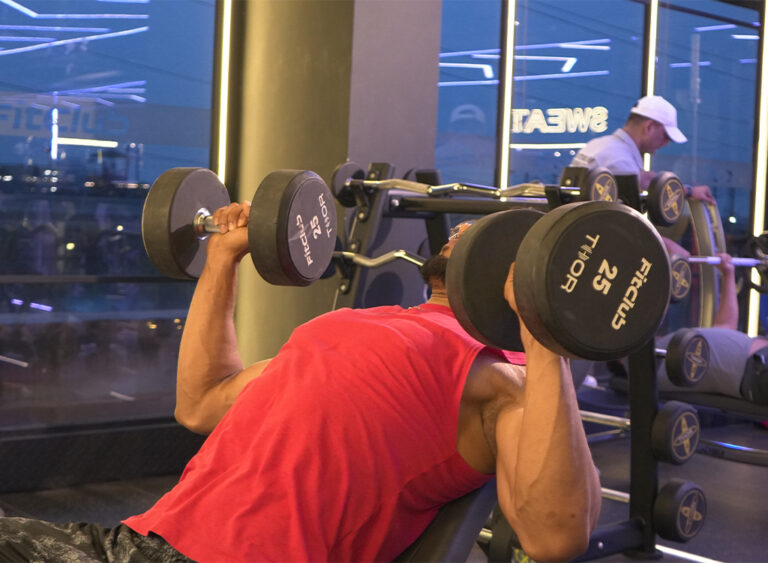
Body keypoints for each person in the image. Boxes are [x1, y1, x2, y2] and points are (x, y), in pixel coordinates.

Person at [0, 211, 602, 562]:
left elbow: (555, 535)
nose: (465, 226)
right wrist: (222, 260)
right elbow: (203, 403)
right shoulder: (363, 323)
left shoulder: (503, 377)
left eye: (485, 231)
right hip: (139, 542)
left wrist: (544, 330)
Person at [654, 251, 768, 404]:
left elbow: (723, 331)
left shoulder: (660, 352)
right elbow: (724, 328)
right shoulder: (661, 356)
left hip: (753, 370)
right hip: (753, 368)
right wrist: (728, 274)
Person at [571, 95, 716, 205]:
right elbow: (623, 226)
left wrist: (687, 191)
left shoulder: (598, 145)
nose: (665, 144)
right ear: (649, 127)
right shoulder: (621, 160)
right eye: (666, 136)